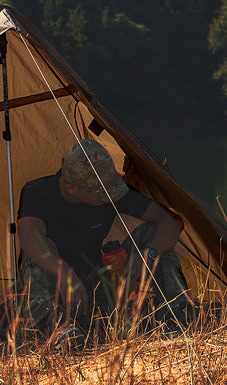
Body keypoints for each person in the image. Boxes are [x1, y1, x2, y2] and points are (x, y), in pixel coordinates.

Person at [16, 138, 194, 334]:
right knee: (38, 256)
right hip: (58, 292)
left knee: (150, 235)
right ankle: (57, 328)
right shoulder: (39, 192)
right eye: (100, 191)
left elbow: (171, 222)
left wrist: (149, 253)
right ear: (71, 187)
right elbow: (29, 235)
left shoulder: (112, 191)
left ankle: (178, 311)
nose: (109, 195)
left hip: (95, 284)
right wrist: (64, 272)